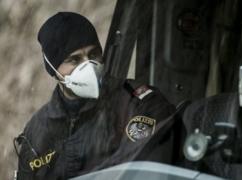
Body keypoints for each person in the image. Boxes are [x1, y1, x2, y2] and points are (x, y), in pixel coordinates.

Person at [15, 12, 176, 180]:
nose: (88, 66)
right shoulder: (36, 131)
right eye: (75, 60)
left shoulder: (138, 103)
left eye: (93, 55)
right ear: (54, 70)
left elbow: (136, 168)